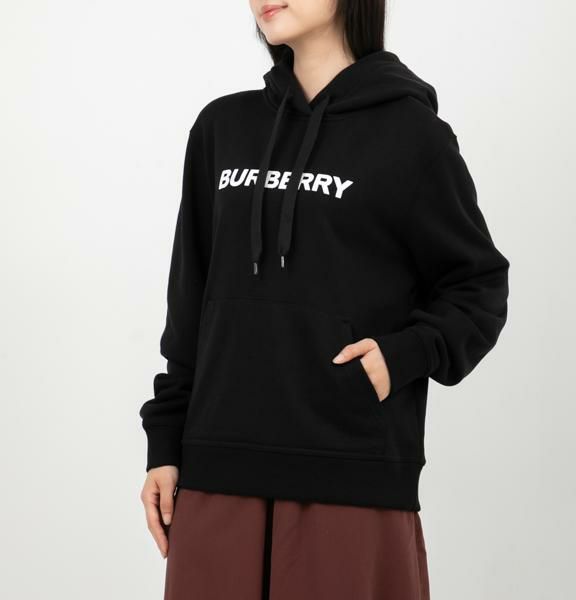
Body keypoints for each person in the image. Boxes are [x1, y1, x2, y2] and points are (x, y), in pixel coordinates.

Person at [139, 1, 510, 598]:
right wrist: (164, 443)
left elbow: (478, 285)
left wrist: (402, 356)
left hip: (350, 480)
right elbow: (189, 303)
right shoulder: (221, 128)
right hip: (216, 472)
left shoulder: (412, 137)